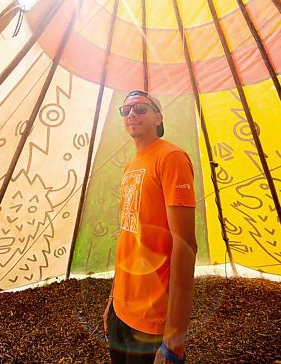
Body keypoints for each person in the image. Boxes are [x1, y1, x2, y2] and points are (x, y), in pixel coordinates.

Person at [103, 90, 197, 363]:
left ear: (158, 117)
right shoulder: (130, 165)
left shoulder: (171, 158)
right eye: (126, 110)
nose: (132, 114)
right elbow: (128, 235)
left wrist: (174, 339)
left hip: (152, 318)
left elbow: (186, 245)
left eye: (142, 108)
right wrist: (113, 299)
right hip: (121, 311)